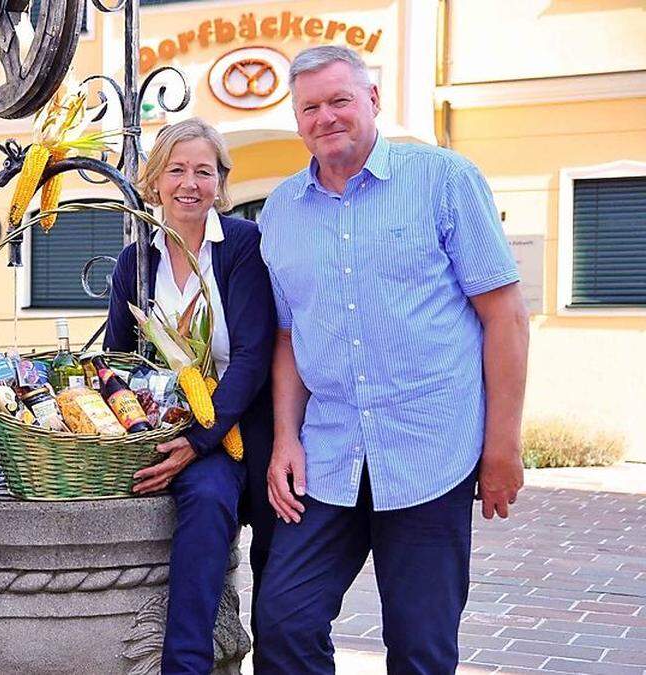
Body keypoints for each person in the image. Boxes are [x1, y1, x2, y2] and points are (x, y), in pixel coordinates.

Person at [252, 45, 530, 673]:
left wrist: (502, 445)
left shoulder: (444, 180)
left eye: (340, 100)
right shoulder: (281, 210)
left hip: (429, 449)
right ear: (297, 120)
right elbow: (290, 336)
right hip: (327, 456)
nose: (326, 117)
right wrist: (286, 439)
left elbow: (505, 316)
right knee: (284, 621)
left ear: (373, 100)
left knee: (421, 646)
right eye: (310, 107)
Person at [104, 118, 276, 674]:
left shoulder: (244, 245)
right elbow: (119, 361)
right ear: (154, 180)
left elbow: (252, 355)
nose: (189, 184)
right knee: (203, 503)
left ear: (221, 182)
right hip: (170, 427)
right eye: (176, 170)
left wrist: (201, 437)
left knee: (282, 585)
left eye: (204, 171)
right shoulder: (136, 261)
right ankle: (186, 666)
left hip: (247, 427)